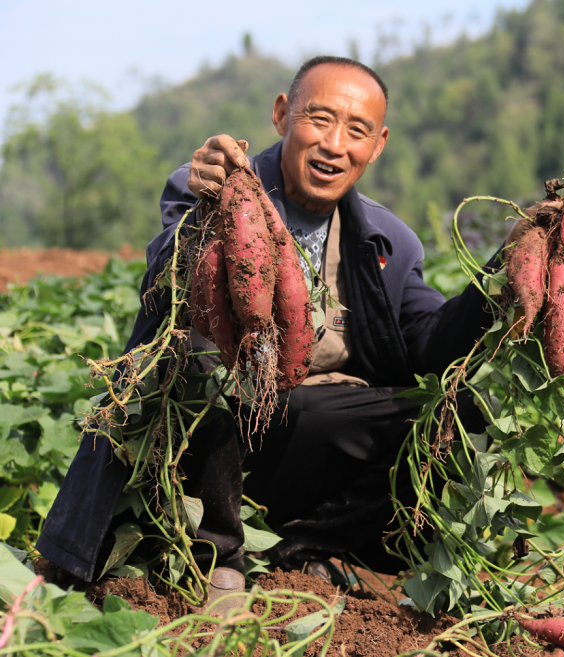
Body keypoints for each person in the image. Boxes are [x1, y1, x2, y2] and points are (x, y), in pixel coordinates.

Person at [37, 56, 520, 611]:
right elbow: (161, 288)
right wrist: (205, 213)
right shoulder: (209, 186)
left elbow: (429, 345)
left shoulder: (391, 240)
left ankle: (311, 544)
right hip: (210, 442)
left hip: (308, 432)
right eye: (319, 119)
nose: (335, 144)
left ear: (378, 145)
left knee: (458, 407)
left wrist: (502, 277)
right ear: (281, 115)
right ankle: (219, 558)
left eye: (356, 131)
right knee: (201, 349)